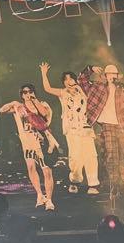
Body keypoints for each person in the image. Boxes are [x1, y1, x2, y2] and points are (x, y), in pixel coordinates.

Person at [40, 63, 101, 196]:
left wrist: (90, 71)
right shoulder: (62, 93)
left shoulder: (83, 90)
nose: (68, 81)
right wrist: (44, 73)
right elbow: (47, 88)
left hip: (86, 128)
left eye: (71, 78)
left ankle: (93, 184)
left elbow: (85, 78)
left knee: (91, 156)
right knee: (75, 156)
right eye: (65, 79)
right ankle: (75, 181)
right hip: (72, 129)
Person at [79, 64, 124, 201]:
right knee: (111, 155)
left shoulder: (123, 88)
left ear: (117, 76)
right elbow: (81, 81)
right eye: (109, 74)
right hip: (107, 125)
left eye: (114, 74)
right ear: (105, 76)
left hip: (123, 125)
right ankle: (114, 185)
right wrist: (90, 69)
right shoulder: (98, 87)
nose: (112, 76)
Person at [0, 84, 59, 210]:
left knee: (46, 170)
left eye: (30, 91)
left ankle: (49, 199)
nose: (27, 94)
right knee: (31, 168)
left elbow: (44, 113)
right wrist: (13, 103)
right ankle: (39, 195)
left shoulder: (42, 104)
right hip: (27, 141)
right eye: (25, 92)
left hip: (42, 141)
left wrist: (35, 101)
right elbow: (2, 110)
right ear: (21, 94)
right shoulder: (18, 107)